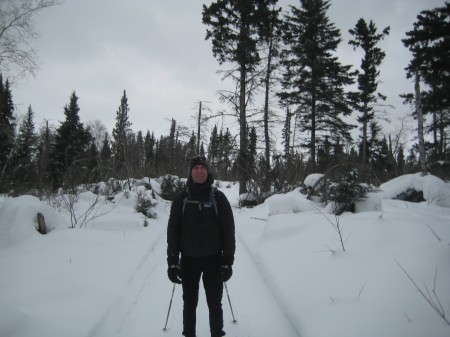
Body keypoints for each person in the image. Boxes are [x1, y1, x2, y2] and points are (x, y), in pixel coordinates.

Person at [167, 155, 236, 337]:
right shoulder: (180, 199)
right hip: (188, 260)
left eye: (202, 168)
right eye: (195, 168)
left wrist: (227, 261)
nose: (199, 171)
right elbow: (172, 232)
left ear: (208, 172)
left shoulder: (218, 198)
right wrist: (173, 262)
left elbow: (229, 231)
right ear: (190, 172)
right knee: (189, 303)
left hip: (214, 260)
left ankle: (216, 333)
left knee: (215, 303)